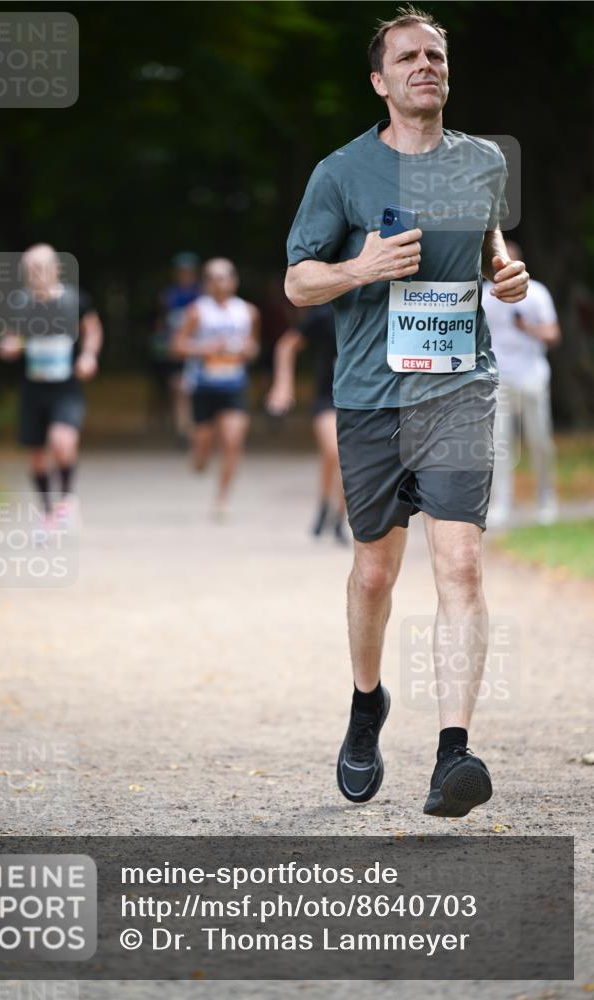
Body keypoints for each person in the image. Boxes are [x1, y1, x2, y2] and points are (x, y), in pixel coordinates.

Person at [284, 7, 529, 817]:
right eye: (408, 57)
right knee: (374, 572)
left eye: (436, 55)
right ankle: (365, 706)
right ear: (379, 81)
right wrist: (359, 268)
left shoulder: (483, 161)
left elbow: (489, 236)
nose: (425, 65)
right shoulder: (341, 172)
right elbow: (296, 282)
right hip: (369, 398)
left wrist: (504, 268)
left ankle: (453, 754)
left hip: (458, 389)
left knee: (458, 565)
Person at [0, 244, 103, 529]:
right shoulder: (19, 303)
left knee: (62, 441)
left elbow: (92, 330)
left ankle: (67, 501)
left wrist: (88, 356)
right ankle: (46, 512)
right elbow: (11, 338)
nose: (37, 275)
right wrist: (9, 346)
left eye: (42, 269)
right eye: (31, 270)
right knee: (37, 455)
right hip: (33, 387)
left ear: (56, 270)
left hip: (65, 386)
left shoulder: (74, 300)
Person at [171, 258, 260, 518]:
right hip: (204, 386)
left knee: (233, 441)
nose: (218, 283)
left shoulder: (248, 312)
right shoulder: (197, 311)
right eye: (212, 278)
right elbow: (177, 345)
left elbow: (254, 347)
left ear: (234, 281)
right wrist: (206, 349)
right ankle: (199, 456)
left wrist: (247, 350)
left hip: (234, 385)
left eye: (223, 277)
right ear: (206, 282)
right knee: (203, 446)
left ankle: (222, 498)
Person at [483, 241, 561, 526]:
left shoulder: (536, 294)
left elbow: (553, 334)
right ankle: (502, 502)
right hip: (499, 378)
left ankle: (546, 498)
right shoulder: (483, 296)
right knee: (500, 443)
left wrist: (526, 327)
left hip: (532, 376)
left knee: (539, 439)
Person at [266, 304, 348, 543]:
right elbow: (286, 345)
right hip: (328, 398)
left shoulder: (385, 305)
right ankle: (324, 503)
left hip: (365, 399)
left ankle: (339, 518)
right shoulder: (327, 312)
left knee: (346, 460)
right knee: (334, 452)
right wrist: (283, 385)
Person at [150, 252, 201, 446]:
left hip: (197, 349)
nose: (184, 275)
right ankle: (183, 430)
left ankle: (194, 428)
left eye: (188, 271)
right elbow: (161, 323)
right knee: (178, 388)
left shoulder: (202, 294)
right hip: (175, 351)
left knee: (192, 390)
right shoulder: (168, 295)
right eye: (181, 271)